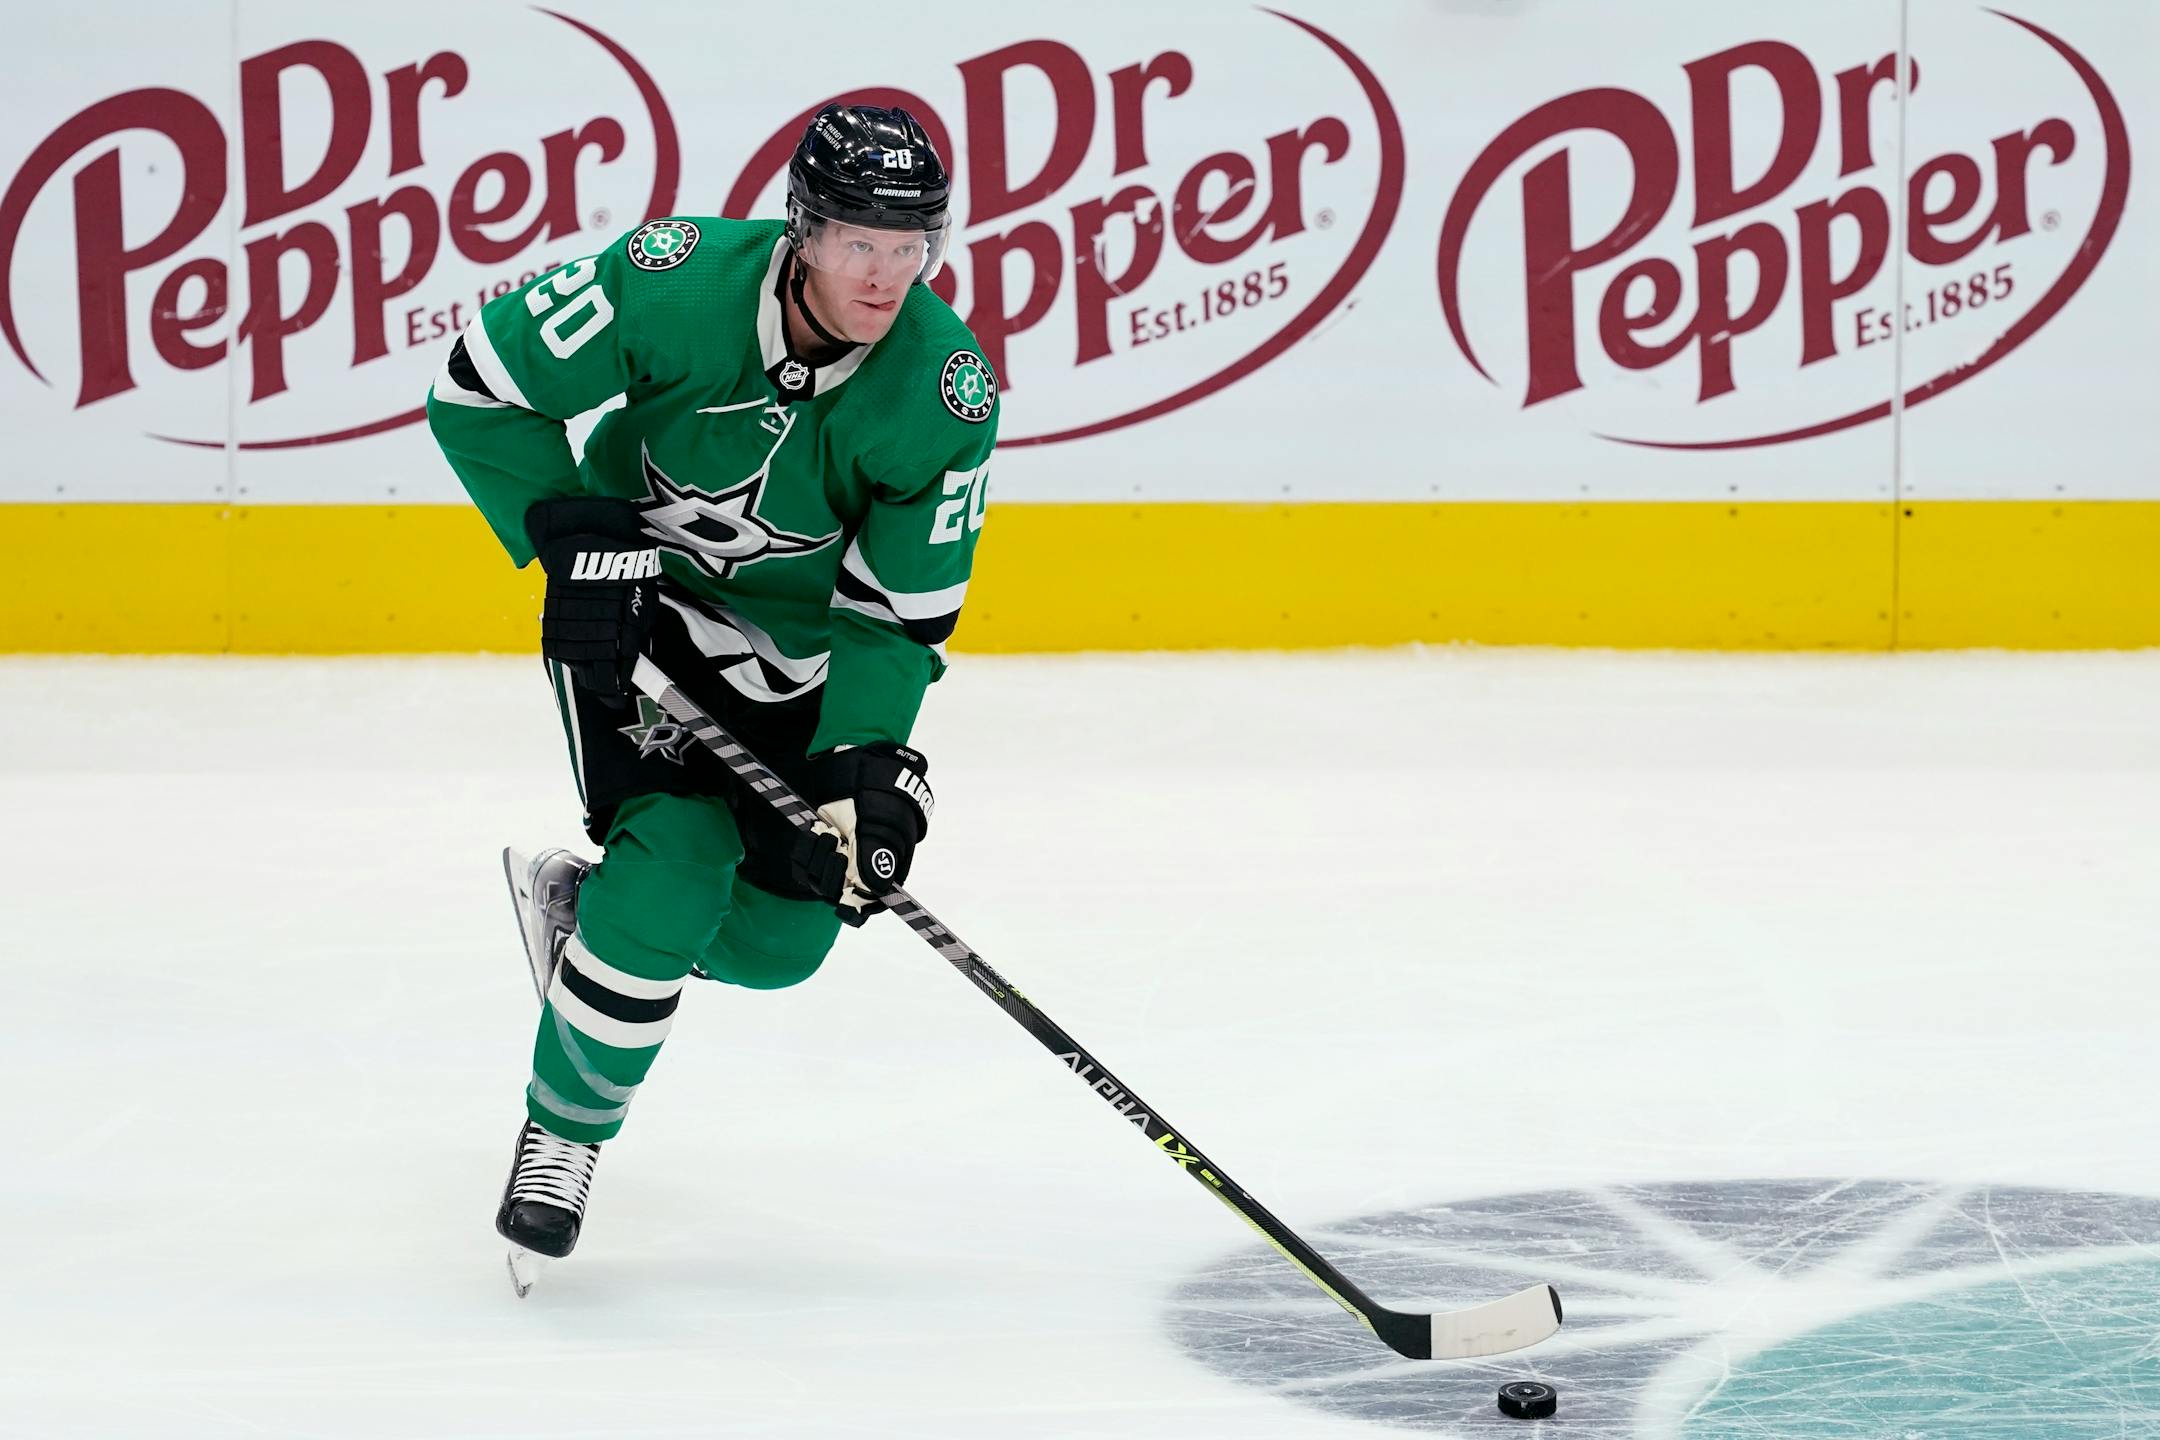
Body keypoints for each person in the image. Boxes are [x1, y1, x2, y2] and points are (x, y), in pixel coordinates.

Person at [425, 104, 996, 1290]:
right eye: (860, 243)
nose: (885, 276)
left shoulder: (943, 394)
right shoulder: (671, 280)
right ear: (803, 230)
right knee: (678, 861)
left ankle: (592, 917)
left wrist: (864, 770)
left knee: (785, 943)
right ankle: (564, 1137)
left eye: (910, 248)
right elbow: (477, 389)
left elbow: (894, 620)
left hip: (798, 675)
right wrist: (573, 541)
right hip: (636, 624)